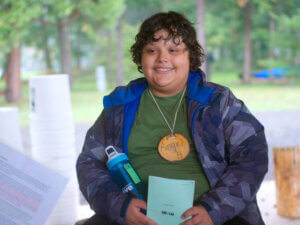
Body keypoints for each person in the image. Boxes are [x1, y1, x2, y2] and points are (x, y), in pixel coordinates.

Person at [76, 11, 268, 225]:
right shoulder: (120, 106)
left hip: (212, 217)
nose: (162, 58)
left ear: (190, 57)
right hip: (137, 218)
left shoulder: (218, 103)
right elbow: (89, 163)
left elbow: (253, 157)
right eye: (151, 50)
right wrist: (121, 207)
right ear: (141, 57)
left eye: (173, 50)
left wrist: (212, 210)